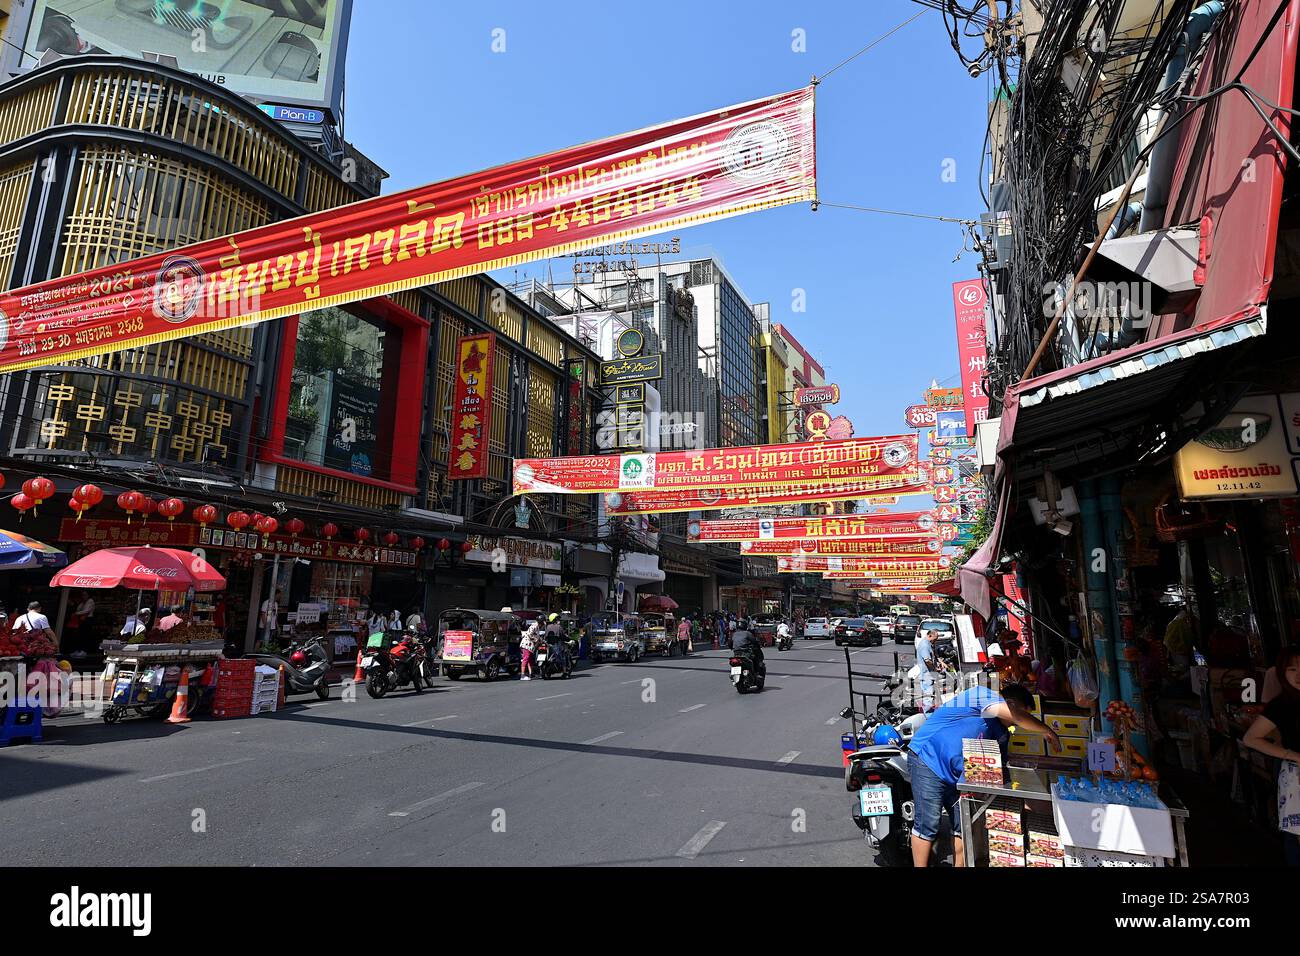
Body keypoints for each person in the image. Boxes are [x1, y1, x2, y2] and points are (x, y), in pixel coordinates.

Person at [907, 682, 1060, 867]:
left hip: (958, 775)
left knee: (961, 826)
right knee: (928, 824)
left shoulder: (1002, 733)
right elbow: (1017, 716)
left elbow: (1000, 769)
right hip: (927, 760)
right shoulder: (981, 695)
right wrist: (1047, 729)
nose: (1017, 724)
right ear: (1009, 703)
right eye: (1023, 714)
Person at [1243, 646, 1300, 866]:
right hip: (1295, 777)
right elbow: (1251, 738)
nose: (1298, 675)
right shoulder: (1282, 705)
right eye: (1292, 669)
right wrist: (1293, 755)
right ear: (1282, 674)